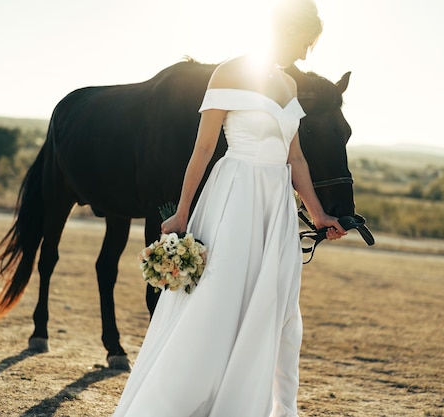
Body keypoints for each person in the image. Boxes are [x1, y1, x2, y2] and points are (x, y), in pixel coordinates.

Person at [113, 0, 346, 415]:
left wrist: (318, 213)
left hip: (276, 208)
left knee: (272, 305)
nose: (304, 53)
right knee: (219, 301)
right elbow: (203, 149)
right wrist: (183, 213)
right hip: (235, 197)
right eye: (302, 41)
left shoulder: (289, 86)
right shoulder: (229, 72)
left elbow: (296, 160)